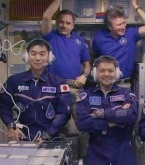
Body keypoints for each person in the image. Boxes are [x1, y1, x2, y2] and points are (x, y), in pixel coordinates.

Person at [42, 0, 91, 163]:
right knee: (62, 128)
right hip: (54, 87)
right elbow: (46, 16)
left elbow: (87, 65)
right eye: (61, 22)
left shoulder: (79, 41)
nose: (64, 25)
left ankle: (81, 160)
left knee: (81, 127)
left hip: (76, 88)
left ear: (73, 25)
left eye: (68, 23)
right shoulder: (50, 37)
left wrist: (84, 76)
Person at [0, 39, 71, 142]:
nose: (37, 58)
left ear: (49, 57)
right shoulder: (13, 81)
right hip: (21, 138)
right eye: (33, 54)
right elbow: (4, 106)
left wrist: (46, 135)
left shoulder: (59, 83)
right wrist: (11, 127)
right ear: (26, 57)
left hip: (50, 139)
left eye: (42, 54)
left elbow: (64, 113)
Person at [76, 56, 138, 165]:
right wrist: (111, 122)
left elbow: (131, 115)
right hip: (96, 153)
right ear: (95, 73)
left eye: (110, 71)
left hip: (122, 151)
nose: (106, 74)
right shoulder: (86, 95)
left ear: (117, 73)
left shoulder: (126, 93)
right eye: (102, 71)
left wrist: (102, 114)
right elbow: (82, 123)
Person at [92, 0, 145, 88]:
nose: (123, 27)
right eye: (119, 25)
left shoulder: (130, 33)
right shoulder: (99, 37)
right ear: (110, 26)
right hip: (104, 84)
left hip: (124, 85)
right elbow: (94, 56)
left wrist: (136, 6)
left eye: (124, 23)